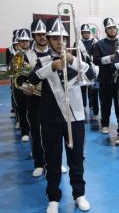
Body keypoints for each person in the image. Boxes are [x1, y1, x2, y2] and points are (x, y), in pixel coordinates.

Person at [29, 18, 91, 213]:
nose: (59, 42)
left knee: (76, 159)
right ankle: (53, 197)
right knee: (53, 160)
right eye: (54, 38)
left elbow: (92, 74)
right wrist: (52, 67)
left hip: (75, 118)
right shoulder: (42, 60)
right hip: (50, 118)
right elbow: (32, 77)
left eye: (62, 38)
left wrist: (72, 61)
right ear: (48, 40)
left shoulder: (76, 56)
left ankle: (79, 194)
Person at [23, 19, 50, 177]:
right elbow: (22, 79)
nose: (42, 37)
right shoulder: (27, 56)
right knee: (36, 131)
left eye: (44, 34)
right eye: (39, 34)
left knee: (54, 133)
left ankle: (56, 162)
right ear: (33, 36)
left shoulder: (54, 53)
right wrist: (25, 87)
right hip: (35, 99)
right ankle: (39, 163)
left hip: (54, 100)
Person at [92, 18, 119, 134]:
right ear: (106, 30)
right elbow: (96, 61)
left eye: (114, 28)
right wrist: (110, 58)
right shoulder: (99, 44)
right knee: (105, 103)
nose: (112, 30)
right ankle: (105, 124)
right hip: (105, 78)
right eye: (110, 28)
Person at [76, 24, 99, 118]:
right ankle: (83, 107)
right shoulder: (77, 43)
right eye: (84, 32)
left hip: (94, 69)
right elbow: (75, 57)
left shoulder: (95, 42)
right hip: (82, 69)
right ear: (82, 33)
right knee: (82, 90)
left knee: (95, 89)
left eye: (88, 32)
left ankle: (94, 108)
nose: (86, 34)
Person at [13, 28, 31, 142]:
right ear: (18, 42)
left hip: (34, 87)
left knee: (34, 112)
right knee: (23, 110)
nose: (25, 43)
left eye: (27, 41)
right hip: (20, 88)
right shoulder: (17, 56)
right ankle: (25, 131)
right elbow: (16, 74)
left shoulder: (33, 53)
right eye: (22, 41)